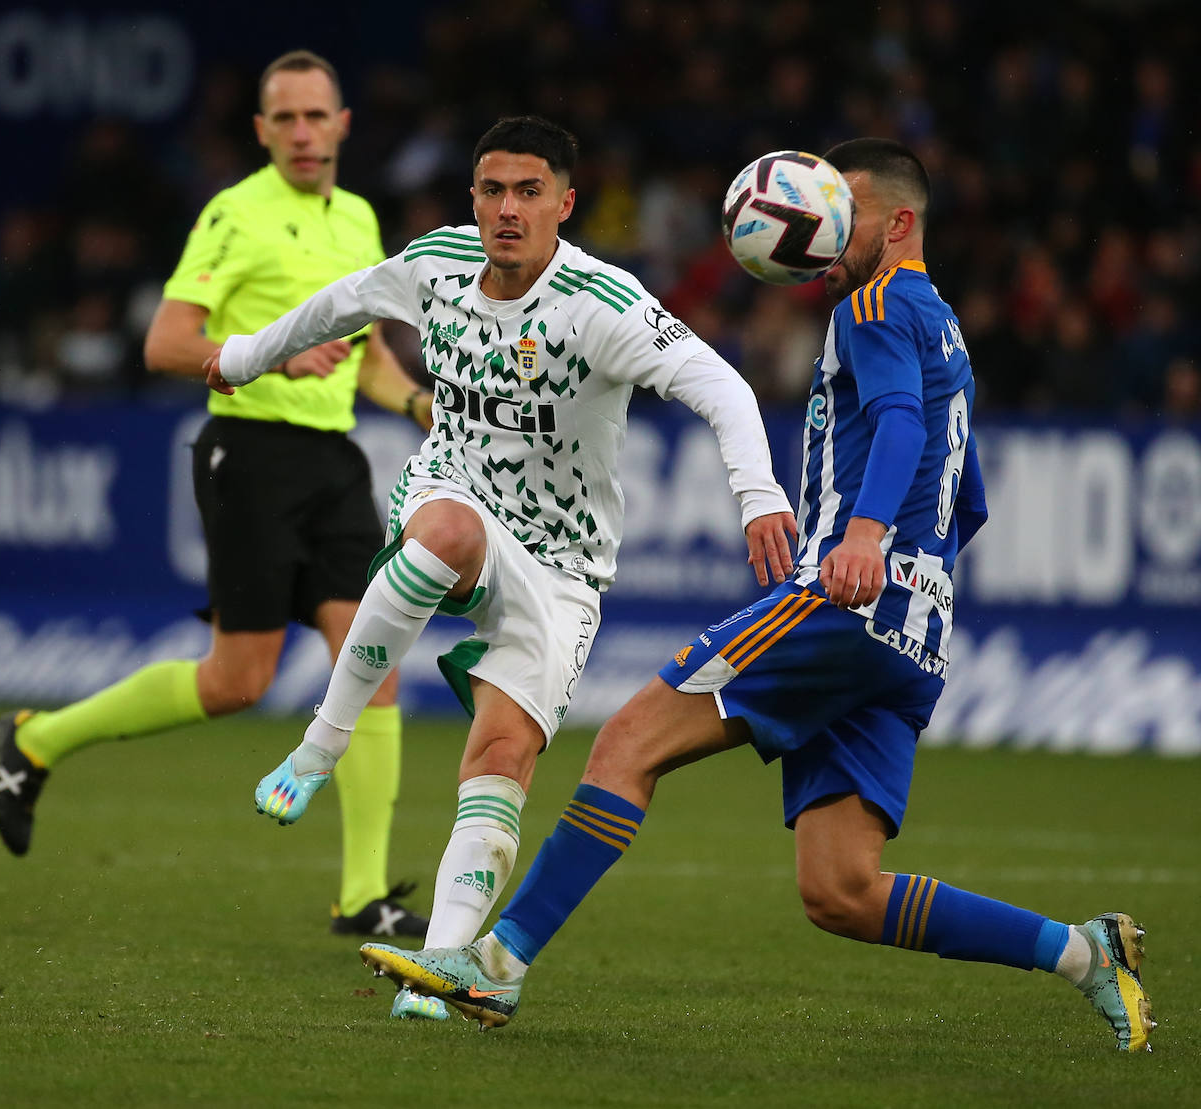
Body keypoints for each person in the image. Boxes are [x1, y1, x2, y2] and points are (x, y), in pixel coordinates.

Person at [359, 139, 1158, 1052]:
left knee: (626, 743)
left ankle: (494, 965)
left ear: (897, 225)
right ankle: (1084, 953)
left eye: (841, 213)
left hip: (847, 596)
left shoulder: (876, 300)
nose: (825, 233)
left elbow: (898, 421)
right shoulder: (944, 324)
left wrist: (862, 540)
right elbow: (967, 491)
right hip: (915, 627)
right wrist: (915, 575)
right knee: (842, 890)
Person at [203, 115, 797, 1022]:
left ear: (566, 202)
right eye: (492, 190)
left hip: (564, 561)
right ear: (471, 197)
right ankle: (322, 744)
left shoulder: (601, 303)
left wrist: (757, 493)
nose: (507, 210)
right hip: (457, 489)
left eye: (528, 192)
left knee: (502, 755)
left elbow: (721, 384)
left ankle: (439, 972)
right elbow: (342, 304)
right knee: (440, 537)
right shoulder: (436, 263)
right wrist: (243, 358)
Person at [0, 50, 434, 939]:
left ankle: (362, 896)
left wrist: (420, 403)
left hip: (334, 460)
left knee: (370, 657)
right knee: (238, 680)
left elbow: (369, 355)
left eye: (318, 116)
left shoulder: (358, 217)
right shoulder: (234, 215)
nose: (304, 133)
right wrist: (265, 351)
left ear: (344, 125)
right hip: (251, 455)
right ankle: (36, 739)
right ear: (262, 130)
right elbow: (164, 341)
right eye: (286, 119)